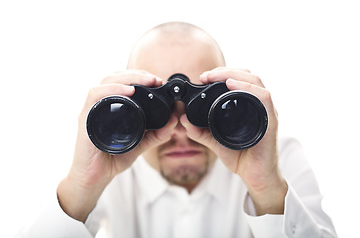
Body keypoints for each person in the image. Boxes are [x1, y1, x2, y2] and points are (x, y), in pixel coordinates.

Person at [19, 22, 337, 237]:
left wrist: (267, 188)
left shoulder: (273, 155)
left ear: (222, 91)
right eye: (156, 109)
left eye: (200, 106)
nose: (180, 130)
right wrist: (81, 185)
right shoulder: (115, 162)